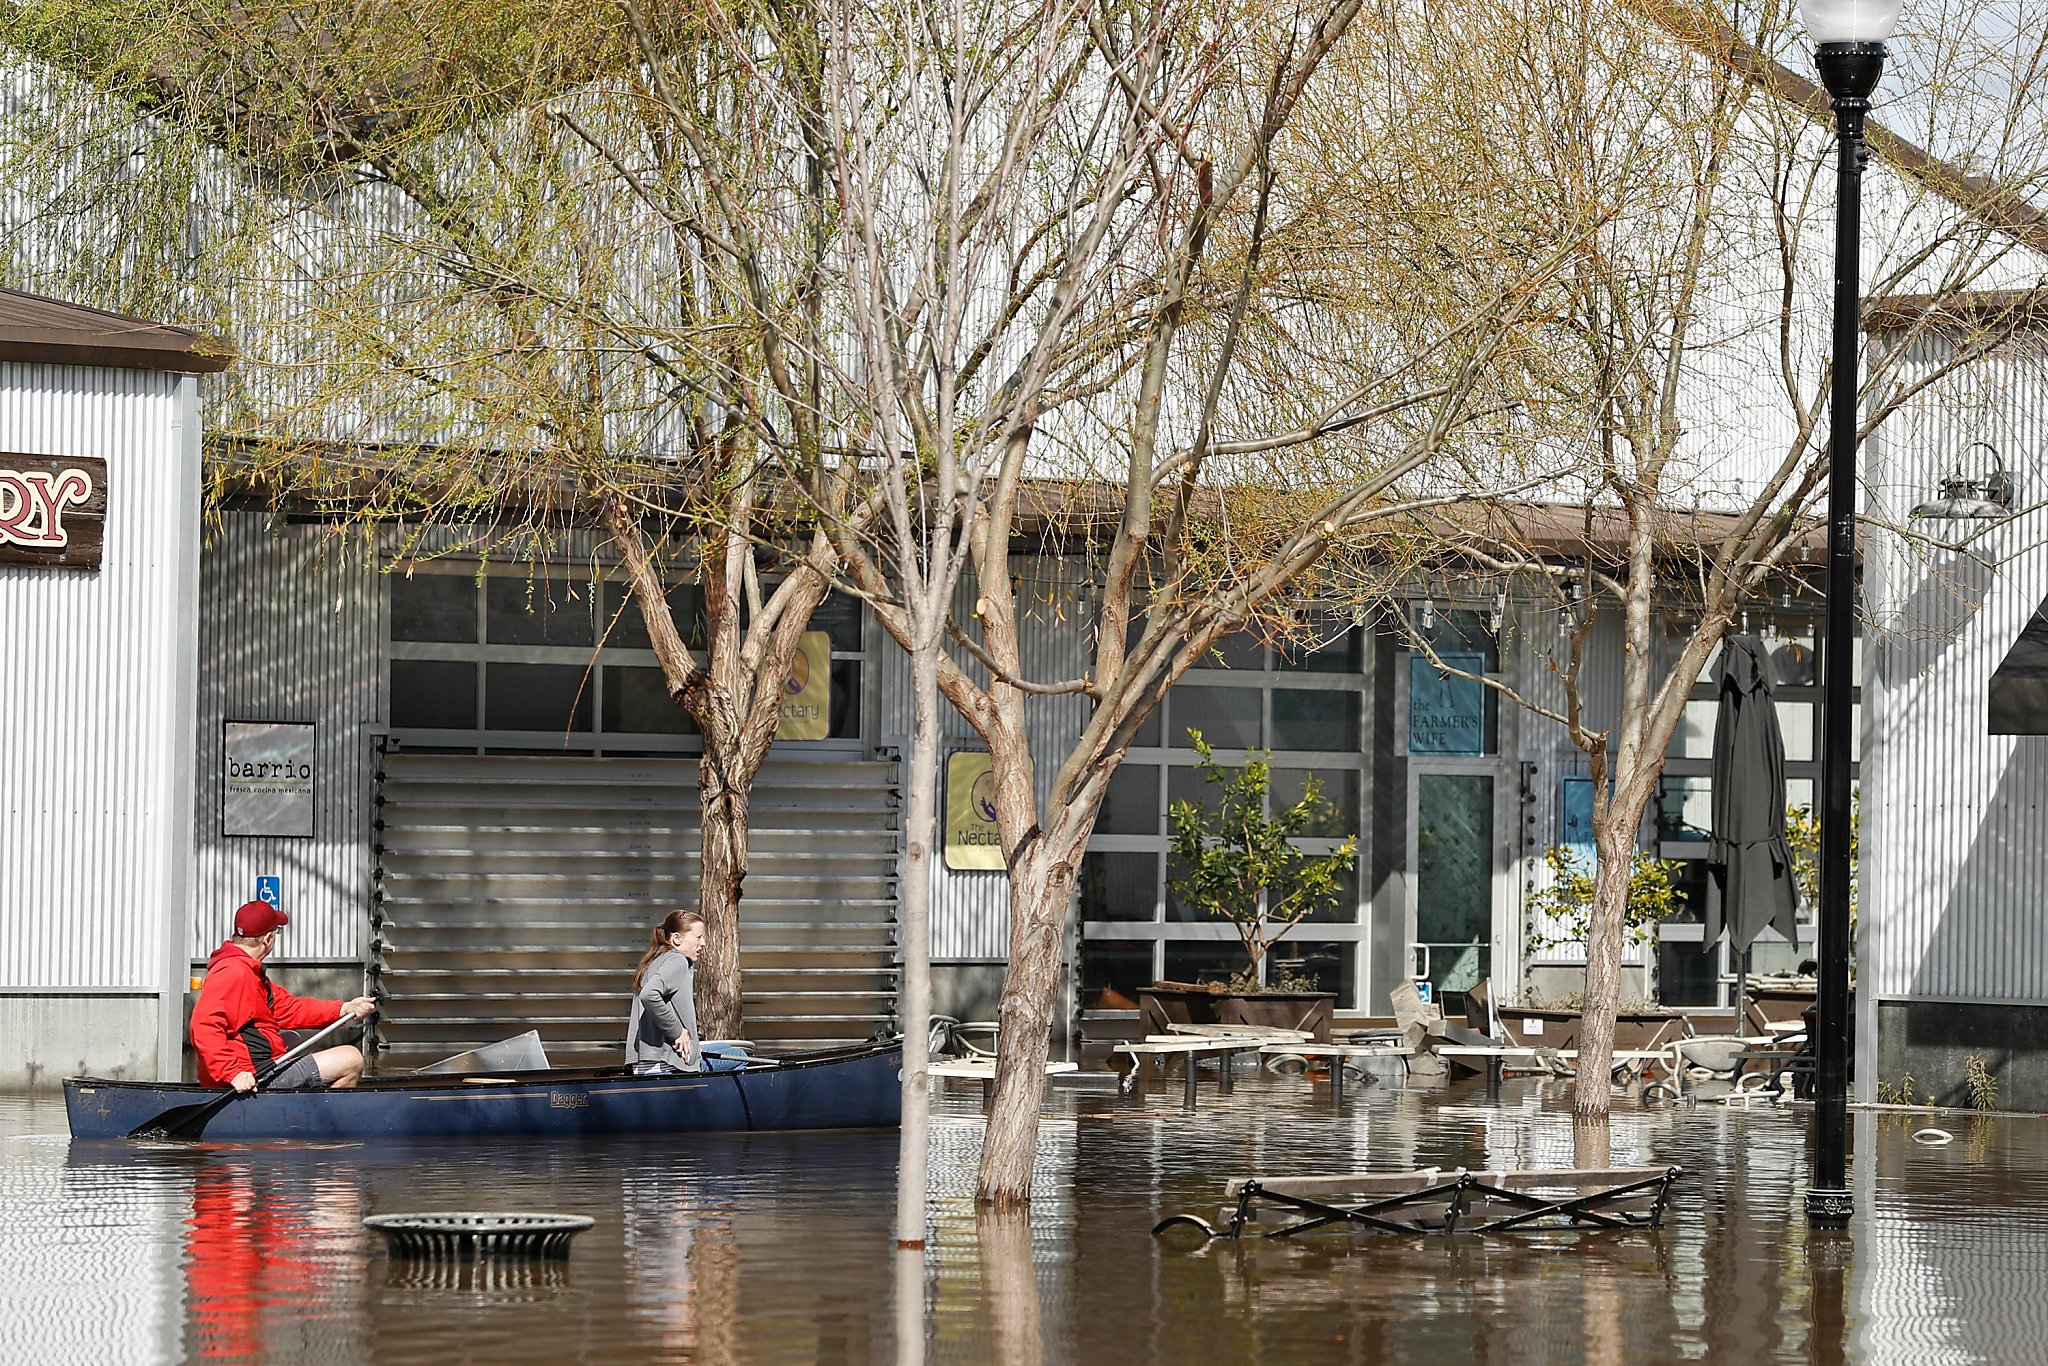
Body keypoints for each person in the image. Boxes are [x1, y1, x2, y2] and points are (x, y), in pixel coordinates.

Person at [191, 901, 376, 1092]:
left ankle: (301, 1103)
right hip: (250, 1076)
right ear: (268, 939)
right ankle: (322, 1119)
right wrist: (233, 1073)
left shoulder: (247, 970)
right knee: (351, 1059)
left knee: (291, 1039)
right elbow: (203, 1026)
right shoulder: (233, 972)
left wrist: (344, 1009)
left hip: (251, 1064)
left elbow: (289, 1008)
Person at [628, 910, 706, 1075]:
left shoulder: (654, 959)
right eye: (698, 937)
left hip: (644, 1063)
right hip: (668, 1065)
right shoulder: (677, 961)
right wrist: (677, 1032)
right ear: (677, 939)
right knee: (737, 1054)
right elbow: (649, 995)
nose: (704, 943)